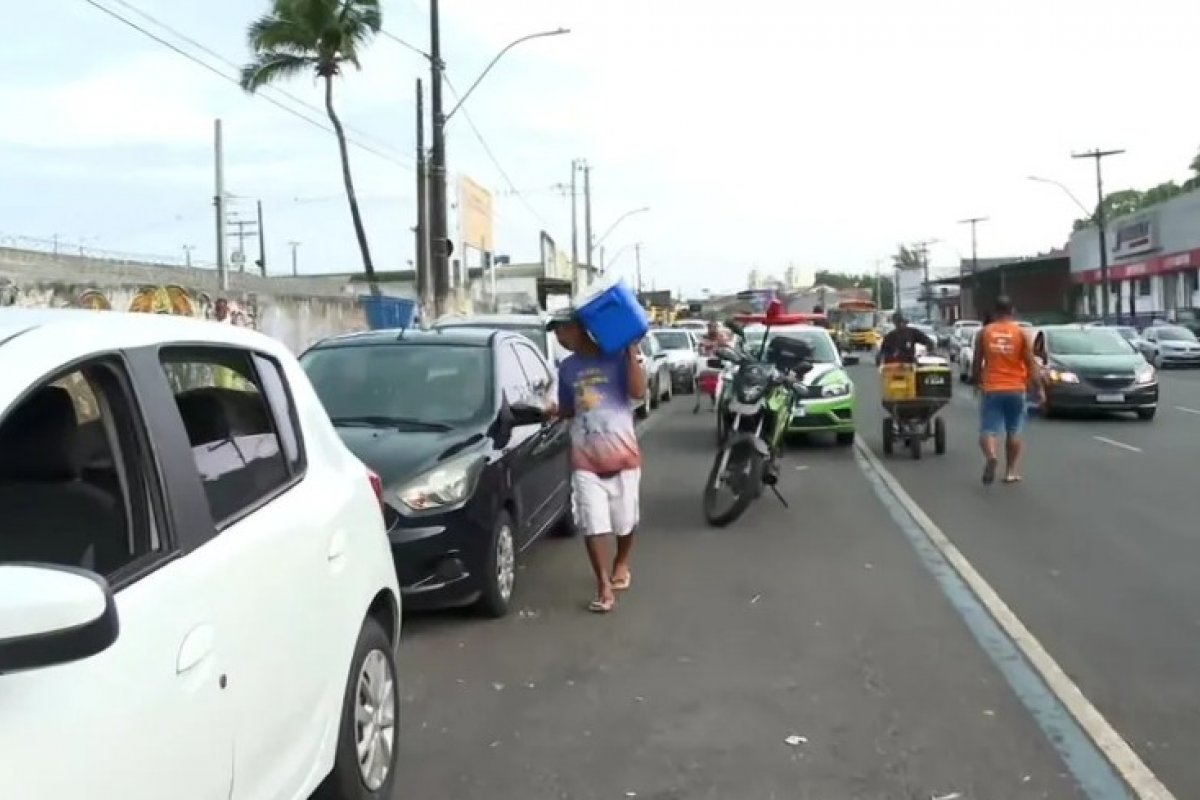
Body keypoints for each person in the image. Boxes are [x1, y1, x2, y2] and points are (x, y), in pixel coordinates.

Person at [546, 311, 647, 613]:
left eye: (561, 331)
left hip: (624, 457)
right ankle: (603, 585)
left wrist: (629, 348)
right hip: (586, 459)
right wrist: (548, 410)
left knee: (624, 523)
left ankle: (622, 561)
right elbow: (568, 408)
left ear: (579, 329)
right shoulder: (567, 368)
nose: (558, 338)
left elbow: (639, 392)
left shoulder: (617, 357)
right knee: (593, 524)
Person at [970, 297, 1044, 484]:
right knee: (1014, 430)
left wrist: (976, 383)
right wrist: (1039, 388)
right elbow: (1031, 363)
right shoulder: (1020, 333)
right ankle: (1010, 471)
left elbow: (977, 362)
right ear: (1013, 311)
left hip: (992, 388)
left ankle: (991, 456)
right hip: (1016, 388)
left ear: (994, 312)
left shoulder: (984, 333)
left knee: (988, 430)